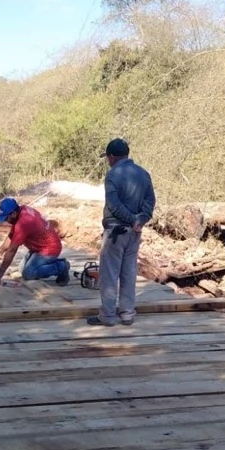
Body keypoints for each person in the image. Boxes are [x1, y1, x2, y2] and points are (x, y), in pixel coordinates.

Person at [88, 138, 155, 327]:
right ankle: (127, 313)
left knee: (109, 273)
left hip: (115, 231)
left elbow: (114, 205)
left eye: (107, 158)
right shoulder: (144, 174)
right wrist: (140, 219)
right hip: (135, 232)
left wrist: (132, 219)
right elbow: (150, 202)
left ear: (111, 156)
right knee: (129, 271)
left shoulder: (112, 175)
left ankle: (108, 315)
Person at [0, 197, 71, 286]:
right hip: (38, 248)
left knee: (28, 273)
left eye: (6, 218)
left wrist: (0, 273)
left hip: (50, 249)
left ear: (14, 213)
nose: (5, 221)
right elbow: (11, 236)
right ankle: (50, 264)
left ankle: (61, 267)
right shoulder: (21, 211)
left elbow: (12, 250)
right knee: (21, 269)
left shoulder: (24, 223)